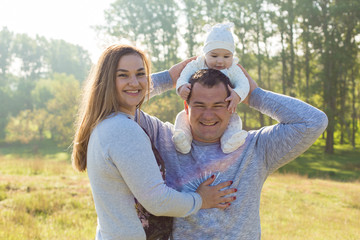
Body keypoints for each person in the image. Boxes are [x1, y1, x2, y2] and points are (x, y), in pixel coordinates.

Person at [137, 68, 328, 239]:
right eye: (200, 105)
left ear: (232, 105)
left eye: (219, 105)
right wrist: (168, 78)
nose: (208, 115)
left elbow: (313, 121)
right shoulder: (165, 137)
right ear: (187, 107)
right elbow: (113, 104)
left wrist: (253, 94)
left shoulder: (256, 146)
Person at [71, 44, 237, 240]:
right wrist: (200, 200)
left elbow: (136, 89)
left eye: (140, 74)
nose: (134, 82)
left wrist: (169, 77)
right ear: (107, 81)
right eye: (123, 75)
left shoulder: (110, 122)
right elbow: (158, 201)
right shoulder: (123, 129)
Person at [173, 22, 249, 154]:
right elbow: (184, 74)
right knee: (182, 117)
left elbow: (244, 83)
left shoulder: (233, 69)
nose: (220, 61)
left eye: (226, 56)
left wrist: (237, 94)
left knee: (235, 120)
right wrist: (181, 86)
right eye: (214, 56)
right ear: (205, 54)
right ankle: (183, 139)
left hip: (228, 109)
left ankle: (230, 140)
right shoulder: (197, 64)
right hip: (190, 118)